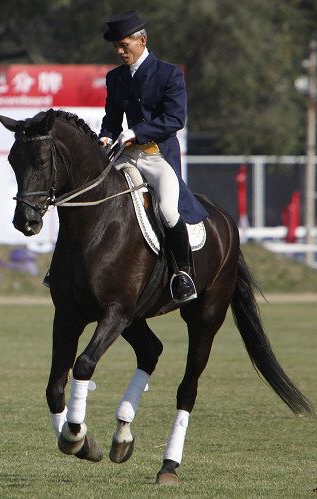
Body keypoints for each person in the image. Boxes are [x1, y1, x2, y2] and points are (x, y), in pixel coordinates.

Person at [99, 10, 208, 303]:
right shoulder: (116, 78)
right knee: (93, 194)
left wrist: (137, 132)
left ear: (142, 40)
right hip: (126, 155)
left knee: (168, 211)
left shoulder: (168, 73)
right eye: (116, 47)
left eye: (124, 45)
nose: (120, 51)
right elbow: (111, 118)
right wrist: (106, 135)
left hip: (156, 156)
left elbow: (175, 119)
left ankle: (182, 273)